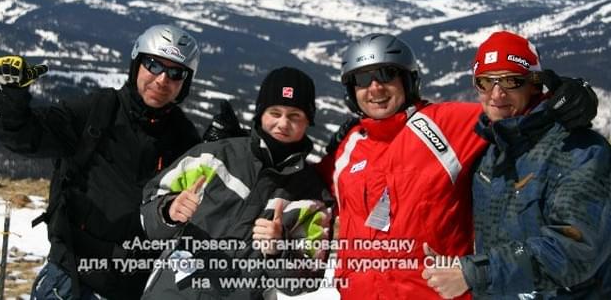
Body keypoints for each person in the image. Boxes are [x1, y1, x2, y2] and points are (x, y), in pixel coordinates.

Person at [317, 33, 598, 300]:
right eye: (363, 79)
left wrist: (569, 95)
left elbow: (512, 112)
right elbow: (307, 187)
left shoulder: (446, 125)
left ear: (407, 80)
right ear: (352, 91)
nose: (375, 87)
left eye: (386, 75)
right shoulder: (346, 147)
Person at [0, 24, 202, 300]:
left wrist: (230, 145)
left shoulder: (184, 138)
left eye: (175, 72)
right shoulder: (97, 112)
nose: (162, 79)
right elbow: (25, 135)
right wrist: (9, 96)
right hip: (72, 279)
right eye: (153, 65)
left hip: (138, 285)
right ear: (136, 64)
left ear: (185, 83)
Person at [422, 31, 611, 299]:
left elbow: (575, 249)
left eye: (511, 81)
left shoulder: (577, 150)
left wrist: (476, 273)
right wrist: (458, 262)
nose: (496, 94)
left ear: (535, 84)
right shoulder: (488, 148)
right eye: (485, 81)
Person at [139, 67, 334, 300]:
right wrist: (168, 210)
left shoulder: (313, 197)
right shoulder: (212, 157)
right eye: (275, 112)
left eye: (295, 116)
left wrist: (278, 250)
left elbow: (305, 281)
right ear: (260, 113)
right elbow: (148, 212)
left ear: (307, 121)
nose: (283, 123)